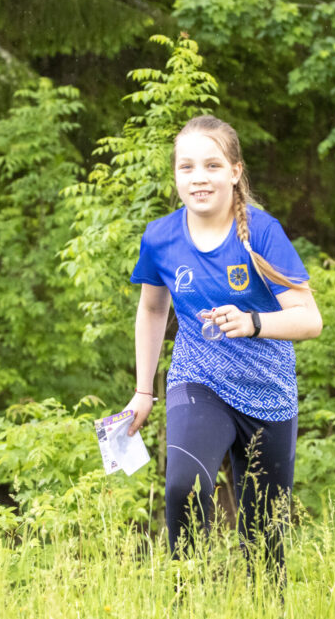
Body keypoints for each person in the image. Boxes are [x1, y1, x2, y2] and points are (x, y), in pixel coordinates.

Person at [124, 114, 323, 579]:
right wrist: (143, 391)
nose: (199, 178)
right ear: (175, 176)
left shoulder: (263, 233)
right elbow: (152, 310)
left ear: (235, 172)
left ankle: (262, 616)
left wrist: (252, 322)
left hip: (268, 393)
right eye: (187, 167)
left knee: (264, 541)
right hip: (199, 379)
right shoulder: (160, 238)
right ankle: (188, 601)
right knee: (184, 487)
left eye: (212, 166)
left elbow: (310, 319)